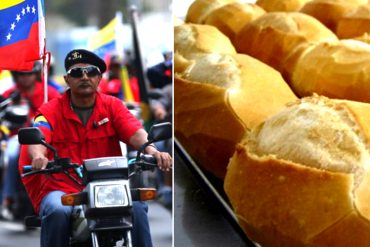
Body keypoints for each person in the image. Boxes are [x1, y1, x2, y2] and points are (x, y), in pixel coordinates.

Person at [18, 49, 172, 247]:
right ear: (67, 79)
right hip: (63, 187)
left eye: (91, 72)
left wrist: (153, 151)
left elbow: (135, 132)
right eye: (76, 73)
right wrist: (39, 156)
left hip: (110, 187)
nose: (84, 77)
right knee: (57, 210)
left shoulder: (113, 106)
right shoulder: (49, 110)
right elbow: (38, 137)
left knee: (138, 207)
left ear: (99, 78)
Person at [1, 63, 60, 220]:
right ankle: (8, 198)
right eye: (22, 74)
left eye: (29, 74)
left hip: (46, 138)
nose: (26, 78)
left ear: (36, 74)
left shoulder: (49, 92)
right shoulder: (10, 94)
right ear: (16, 75)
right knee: (12, 156)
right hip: (17, 137)